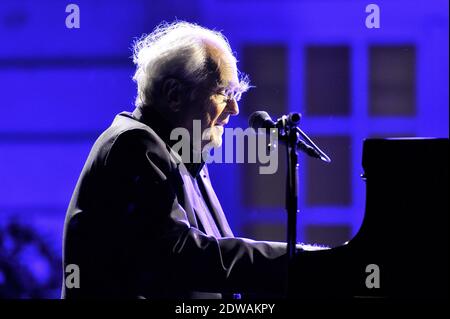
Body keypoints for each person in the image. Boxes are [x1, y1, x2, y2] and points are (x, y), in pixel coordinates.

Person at [62, 21, 298, 299]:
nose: (234, 109)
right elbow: (180, 256)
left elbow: (217, 263)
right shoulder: (134, 145)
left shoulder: (181, 154)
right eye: (224, 92)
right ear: (174, 94)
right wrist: (301, 261)